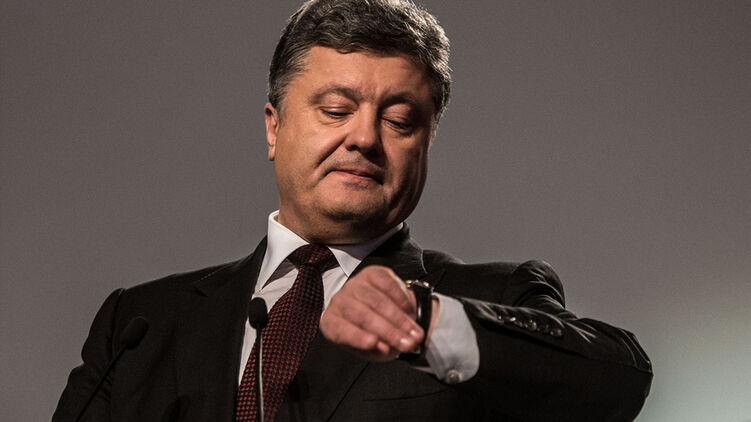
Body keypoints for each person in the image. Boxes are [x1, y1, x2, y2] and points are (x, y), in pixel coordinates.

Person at [53, 1, 652, 421]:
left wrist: (426, 326)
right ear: (274, 127)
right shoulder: (140, 324)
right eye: (336, 110)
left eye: (399, 121)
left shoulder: (488, 296)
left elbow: (617, 380)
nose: (364, 138)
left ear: (427, 144)